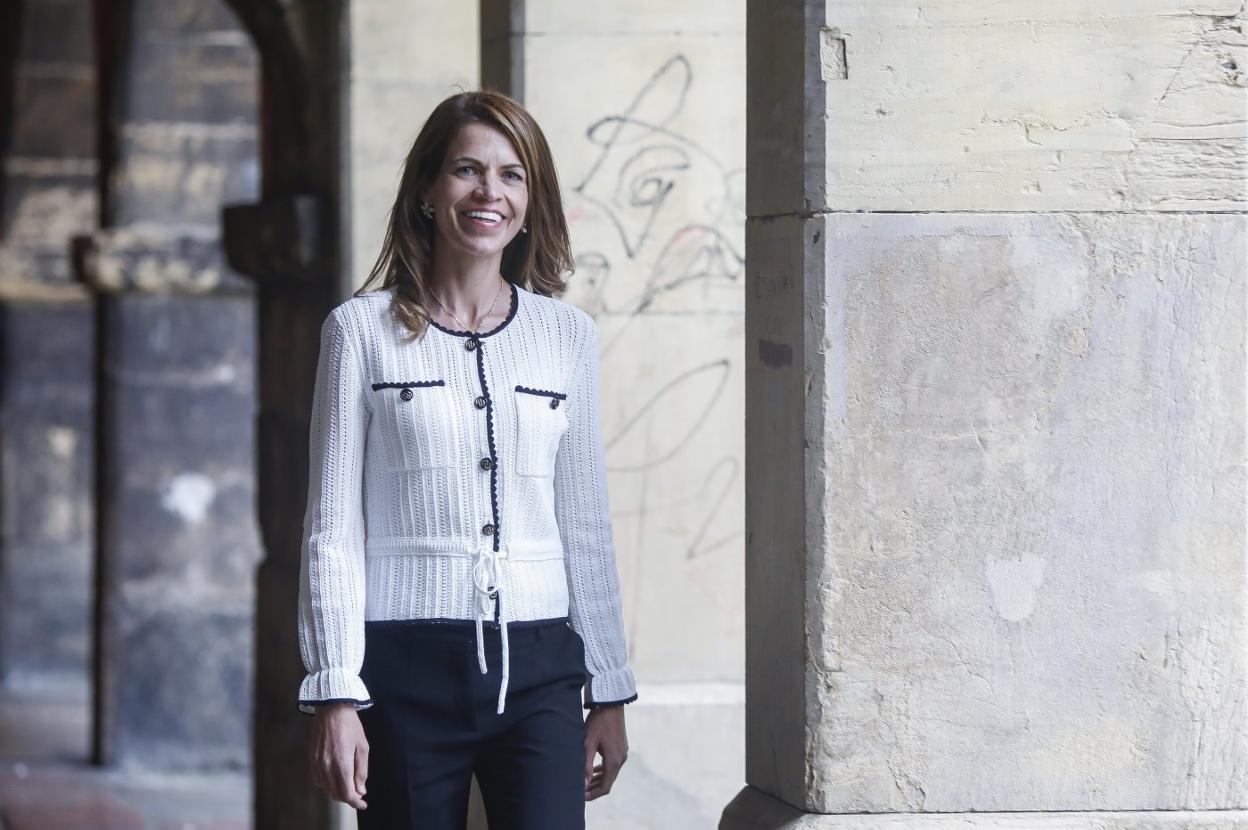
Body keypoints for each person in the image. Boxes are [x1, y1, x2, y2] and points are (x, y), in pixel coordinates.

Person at [295, 89, 637, 829]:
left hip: (543, 670)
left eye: (513, 175)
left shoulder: (566, 336)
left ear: (531, 198)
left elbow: (585, 520)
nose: (491, 193)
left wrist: (609, 685)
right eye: (467, 171)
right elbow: (332, 531)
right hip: (403, 672)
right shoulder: (358, 333)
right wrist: (334, 691)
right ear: (426, 189)